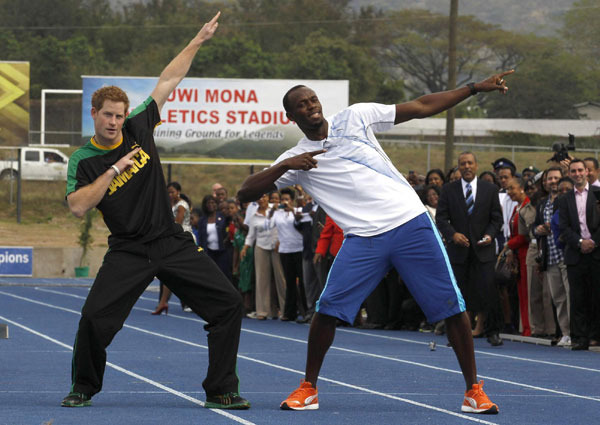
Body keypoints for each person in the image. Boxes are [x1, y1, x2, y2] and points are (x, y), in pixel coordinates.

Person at [238, 71, 514, 414]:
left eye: (312, 99)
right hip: (364, 238)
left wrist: (474, 88)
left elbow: (421, 105)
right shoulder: (296, 160)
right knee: (326, 310)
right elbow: (245, 193)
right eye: (301, 105)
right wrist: (286, 166)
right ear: (290, 117)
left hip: (409, 223)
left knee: (452, 306)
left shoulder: (355, 117)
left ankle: (474, 390)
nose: (310, 106)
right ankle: (308, 388)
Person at [61, 13, 249, 410]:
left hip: (170, 241)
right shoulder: (83, 159)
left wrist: (197, 39)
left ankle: (221, 389)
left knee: (229, 304)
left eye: (118, 114)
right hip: (129, 250)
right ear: (94, 114)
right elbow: (78, 207)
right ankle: (83, 387)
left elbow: (167, 80)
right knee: (94, 320)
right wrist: (115, 167)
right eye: (107, 114)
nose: (113, 121)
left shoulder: (138, 128)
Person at [436, 152, 504, 346]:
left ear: (476, 165)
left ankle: (493, 332)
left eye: (470, 163)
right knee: (460, 294)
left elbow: (496, 218)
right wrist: (453, 235)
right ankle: (458, 335)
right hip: (459, 251)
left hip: (483, 250)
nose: (466, 167)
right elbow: (441, 218)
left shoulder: (489, 189)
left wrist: (490, 235)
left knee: (488, 290)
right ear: (458, 167)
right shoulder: (449, 190)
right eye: (462, 164)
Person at [558, 159, 600, 350]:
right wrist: (580, 242)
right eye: (573, 171)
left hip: (597, 252)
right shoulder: (564, 199)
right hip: (575, 253)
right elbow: (563, 227)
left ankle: (595, 335)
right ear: (570, 174)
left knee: (596, 295)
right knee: (577, 297)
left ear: (587, 172)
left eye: (580, 170)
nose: (577, 174)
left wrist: (594, 242)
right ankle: (580, 337)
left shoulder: (598, 194)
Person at [533, 166, 571, 346]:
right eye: (550, 179)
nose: (553, 182)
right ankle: (565, 332)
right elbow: (535, 227)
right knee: (558, 297)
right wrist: (538, 229)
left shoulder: (568, 199)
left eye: (557, 178)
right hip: (550, 256)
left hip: (566, 253)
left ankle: (576, 332)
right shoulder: (542, 203)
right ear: (545, 182)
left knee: (571, 295)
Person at [241, 193, 286, 320]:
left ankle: (285, 310)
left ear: (268, 198)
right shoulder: (253, 215)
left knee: (281, 278)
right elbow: (251, 235)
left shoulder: (276, 209)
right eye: (259, 197)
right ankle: (263, 311)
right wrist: (245, 247)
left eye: (264, 196)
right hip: (261, 246)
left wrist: (281, 240)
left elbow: (285, 225)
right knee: (261, 279)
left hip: (277, 246)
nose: (262, 199)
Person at [152, 181, 194, 315]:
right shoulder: (170, 204)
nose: (170, 195)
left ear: (178, 192)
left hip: (183, 238)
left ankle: (190, 302)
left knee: (186, 273)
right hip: (172, 238)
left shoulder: (182, 205)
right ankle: (163, 302)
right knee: (168, 270)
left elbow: (178, 223)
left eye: (172, 192)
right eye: (168, 192)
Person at [504, 177, 532, 336]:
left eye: (512, 188)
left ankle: (529, 328)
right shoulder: (516, 208)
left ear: (521, 188)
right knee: (521, 293)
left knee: (528, 293)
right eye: (507, 189)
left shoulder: (527, 206)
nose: (509, 192)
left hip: (527, 253)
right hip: (518, 254)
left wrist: (508, 245)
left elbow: (524, 235)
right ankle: (525, 327)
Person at [196, 195, 233, 282]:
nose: (210, 205)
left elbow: (228, 231)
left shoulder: (223, 217)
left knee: (224, 275)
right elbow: (200, 238)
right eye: (208, 203)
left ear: (216, 204)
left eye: (213, 202)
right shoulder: (202, 220)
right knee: (211, 276)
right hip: (209, 252)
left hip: (222, 251)